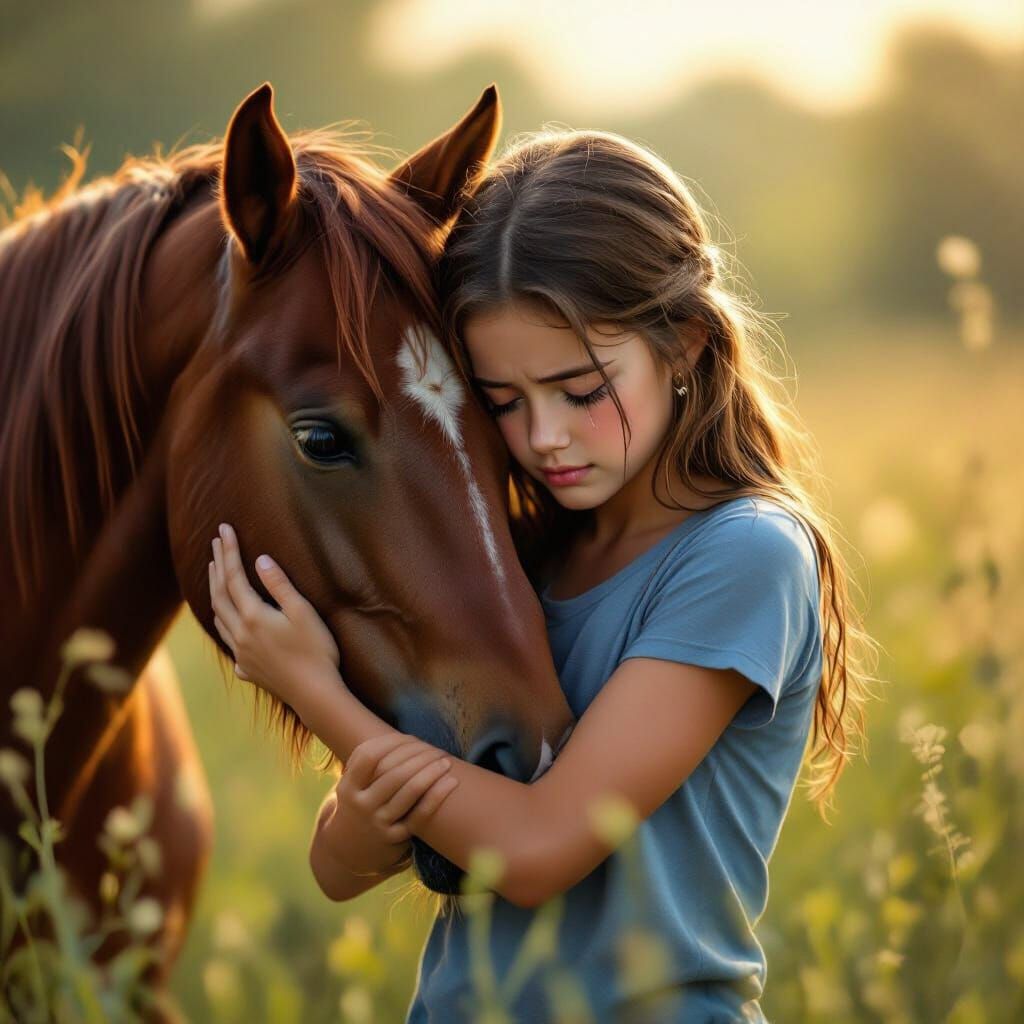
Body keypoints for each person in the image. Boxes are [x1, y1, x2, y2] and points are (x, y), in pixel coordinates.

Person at [208, 128, 876, 1022]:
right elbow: (338, 868)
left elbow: (540, 848)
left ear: (680, 345)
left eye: (581, 390)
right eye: (504, 403)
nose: (544, 437)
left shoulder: (744, 556)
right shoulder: (523, 552)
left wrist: (312, 689)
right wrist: (367, 810)